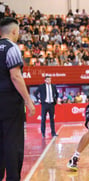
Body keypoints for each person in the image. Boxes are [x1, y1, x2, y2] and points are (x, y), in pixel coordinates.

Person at [0, 17, 35, 181]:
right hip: (9, 102)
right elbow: (16, 76)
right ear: (14, 31)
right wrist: (28, 100)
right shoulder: (12, 48)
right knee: (12, 142)